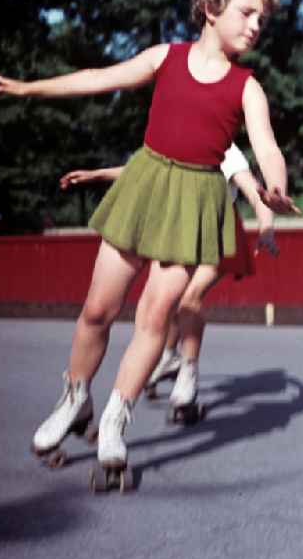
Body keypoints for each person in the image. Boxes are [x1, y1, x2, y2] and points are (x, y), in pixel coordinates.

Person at [0, 0, 298, 475]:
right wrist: (29, 90)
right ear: (212, 9)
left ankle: (114, 418)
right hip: (146, 185)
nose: (257, 24)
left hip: (195, 200)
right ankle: (74, 399)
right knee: (96, 311)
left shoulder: (247, 87)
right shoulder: (165, 58)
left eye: (263, 18)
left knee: (155, 317)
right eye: (247, 12)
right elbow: (97, 78)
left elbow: (266, 147)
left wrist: (275, 187)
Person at [59, 143, 279, 411]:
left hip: (219, 233)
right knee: (171, 301)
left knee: (189, 298)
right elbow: (145, 170)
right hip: (186, 230)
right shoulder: (178, 135)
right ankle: (171, 356)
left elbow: (255, 191)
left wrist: (267, 227)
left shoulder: (225, 150)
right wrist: (98, 175)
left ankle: (188, 370)